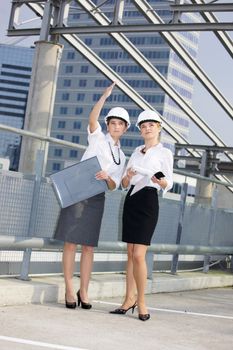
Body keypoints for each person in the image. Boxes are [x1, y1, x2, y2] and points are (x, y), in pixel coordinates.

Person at [54, 82, 130, 309]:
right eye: (112, 123)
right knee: (70, 243)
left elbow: (115, 185)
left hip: (97, 196)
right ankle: (69, 288)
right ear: (108, 125)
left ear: (125, 128)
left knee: (88, 246)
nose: (115, 127)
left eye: (120, 124)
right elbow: (92, 119)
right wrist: (104, 97)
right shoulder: (97, 138)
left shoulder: (122, 156)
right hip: (78, 190)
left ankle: (83, 290)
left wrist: (107, 177)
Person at [110, 110, 173, 321]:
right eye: (144, 126)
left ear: (158, 128)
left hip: (148, 201)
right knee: (130, 254)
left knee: (139, 255)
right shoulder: (136, 152)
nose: (147, 128)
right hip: (131, 200)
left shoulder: (164, 153)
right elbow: (125, 184)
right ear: (140, 130)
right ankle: (128, 299)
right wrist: (127, 176)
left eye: (151, 125)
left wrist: (160, 181)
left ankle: (142, 301)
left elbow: (168, 182)